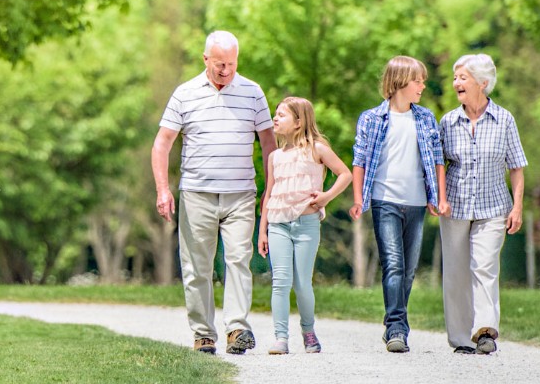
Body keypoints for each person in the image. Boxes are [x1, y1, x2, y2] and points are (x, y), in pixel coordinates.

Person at [152, 30, 276, 355]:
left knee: (238, 260)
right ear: (205, 59)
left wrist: (270, 190)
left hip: (240, 194)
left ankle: (237, 329)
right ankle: (203, 334)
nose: (225, 71)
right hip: (197, 193)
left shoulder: (252, 92)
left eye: (231, 64)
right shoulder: (184, 94)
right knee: (197, 267)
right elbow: (162, 143)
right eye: (219, 64)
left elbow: (268, 144)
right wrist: (163, 189)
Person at [350, 55, 447, 353]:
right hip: (385, 201)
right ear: (400, 82)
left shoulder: (425, 117)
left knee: (408, 270)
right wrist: (358, 199)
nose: (422, 85)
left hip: (416, 202)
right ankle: (396, 327)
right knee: (393, 265)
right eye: (418, 80)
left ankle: (395, 320)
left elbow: (437, 160)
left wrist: (440, 197)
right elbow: (360, 161)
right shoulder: (372, 118)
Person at [438, 54, 527, 355]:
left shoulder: (504, 120)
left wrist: (517, 207)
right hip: (456, 208)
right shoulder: (448, 122)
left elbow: (516, 166)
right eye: (455, 78)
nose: (456, 83)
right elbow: (439, 165)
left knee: (485, 266)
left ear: (483, 83)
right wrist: (437, 197)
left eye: (463, 77)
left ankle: (485, 332)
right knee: (456, 273)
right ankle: (462, 338)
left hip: (493, 209)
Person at [256, 97, 351, 354]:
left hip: (307, 223)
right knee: (280, 281)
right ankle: (280, 338)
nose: (275, 119)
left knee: (302, 283)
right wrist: (262, 230)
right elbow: (269, 193)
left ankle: (308, 332)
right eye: (275, 114)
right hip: (277, 224)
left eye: (282, 115)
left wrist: (325, 197)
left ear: (299, 122)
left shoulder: (317, 149)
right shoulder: (274, 157)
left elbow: (345, 174)